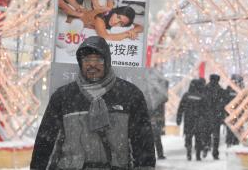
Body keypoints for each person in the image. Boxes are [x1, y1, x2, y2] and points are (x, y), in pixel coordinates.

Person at [31, 36, 156, 169]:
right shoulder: (63, 96)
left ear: (107, 61)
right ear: (80, 63)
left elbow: (143, 143)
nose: (92, 64)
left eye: (99, 59)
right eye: (86, 60)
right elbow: (45, 141)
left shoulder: (130, 94)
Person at [176, 79, 207, 161]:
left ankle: (189, 152)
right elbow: (205, 110)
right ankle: (197, 155)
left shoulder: (186, 95)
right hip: (198, 120)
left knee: (188, 137)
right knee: (198, 138)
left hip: (188, 120)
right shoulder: (201, 96)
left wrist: (178, 118)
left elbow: (180, 108)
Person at [79, 6, 143, 41]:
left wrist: (132, 31)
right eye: (118, 17)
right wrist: (127, 34)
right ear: (115, 12)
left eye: (121, 23)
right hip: (74, 19)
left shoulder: (119, 19)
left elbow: (140, 27)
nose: (115, 22)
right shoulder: (101, 16)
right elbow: (105, 37)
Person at [204, 74, 226, 160]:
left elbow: (202, 102)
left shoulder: (205, 88)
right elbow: (224, 103)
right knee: (216, 135)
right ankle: (215, 153)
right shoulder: (220, 90)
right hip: (217, 116)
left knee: (206, 133)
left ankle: (206, 145)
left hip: (206, 115)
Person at [224, 74, 243, 147]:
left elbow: (225, 101)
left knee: (230, 129)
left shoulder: (229, 88)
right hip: (238, 113)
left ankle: (230, 143)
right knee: (237, 129)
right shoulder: (241, 89)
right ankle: (235, 143)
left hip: (230, 113)